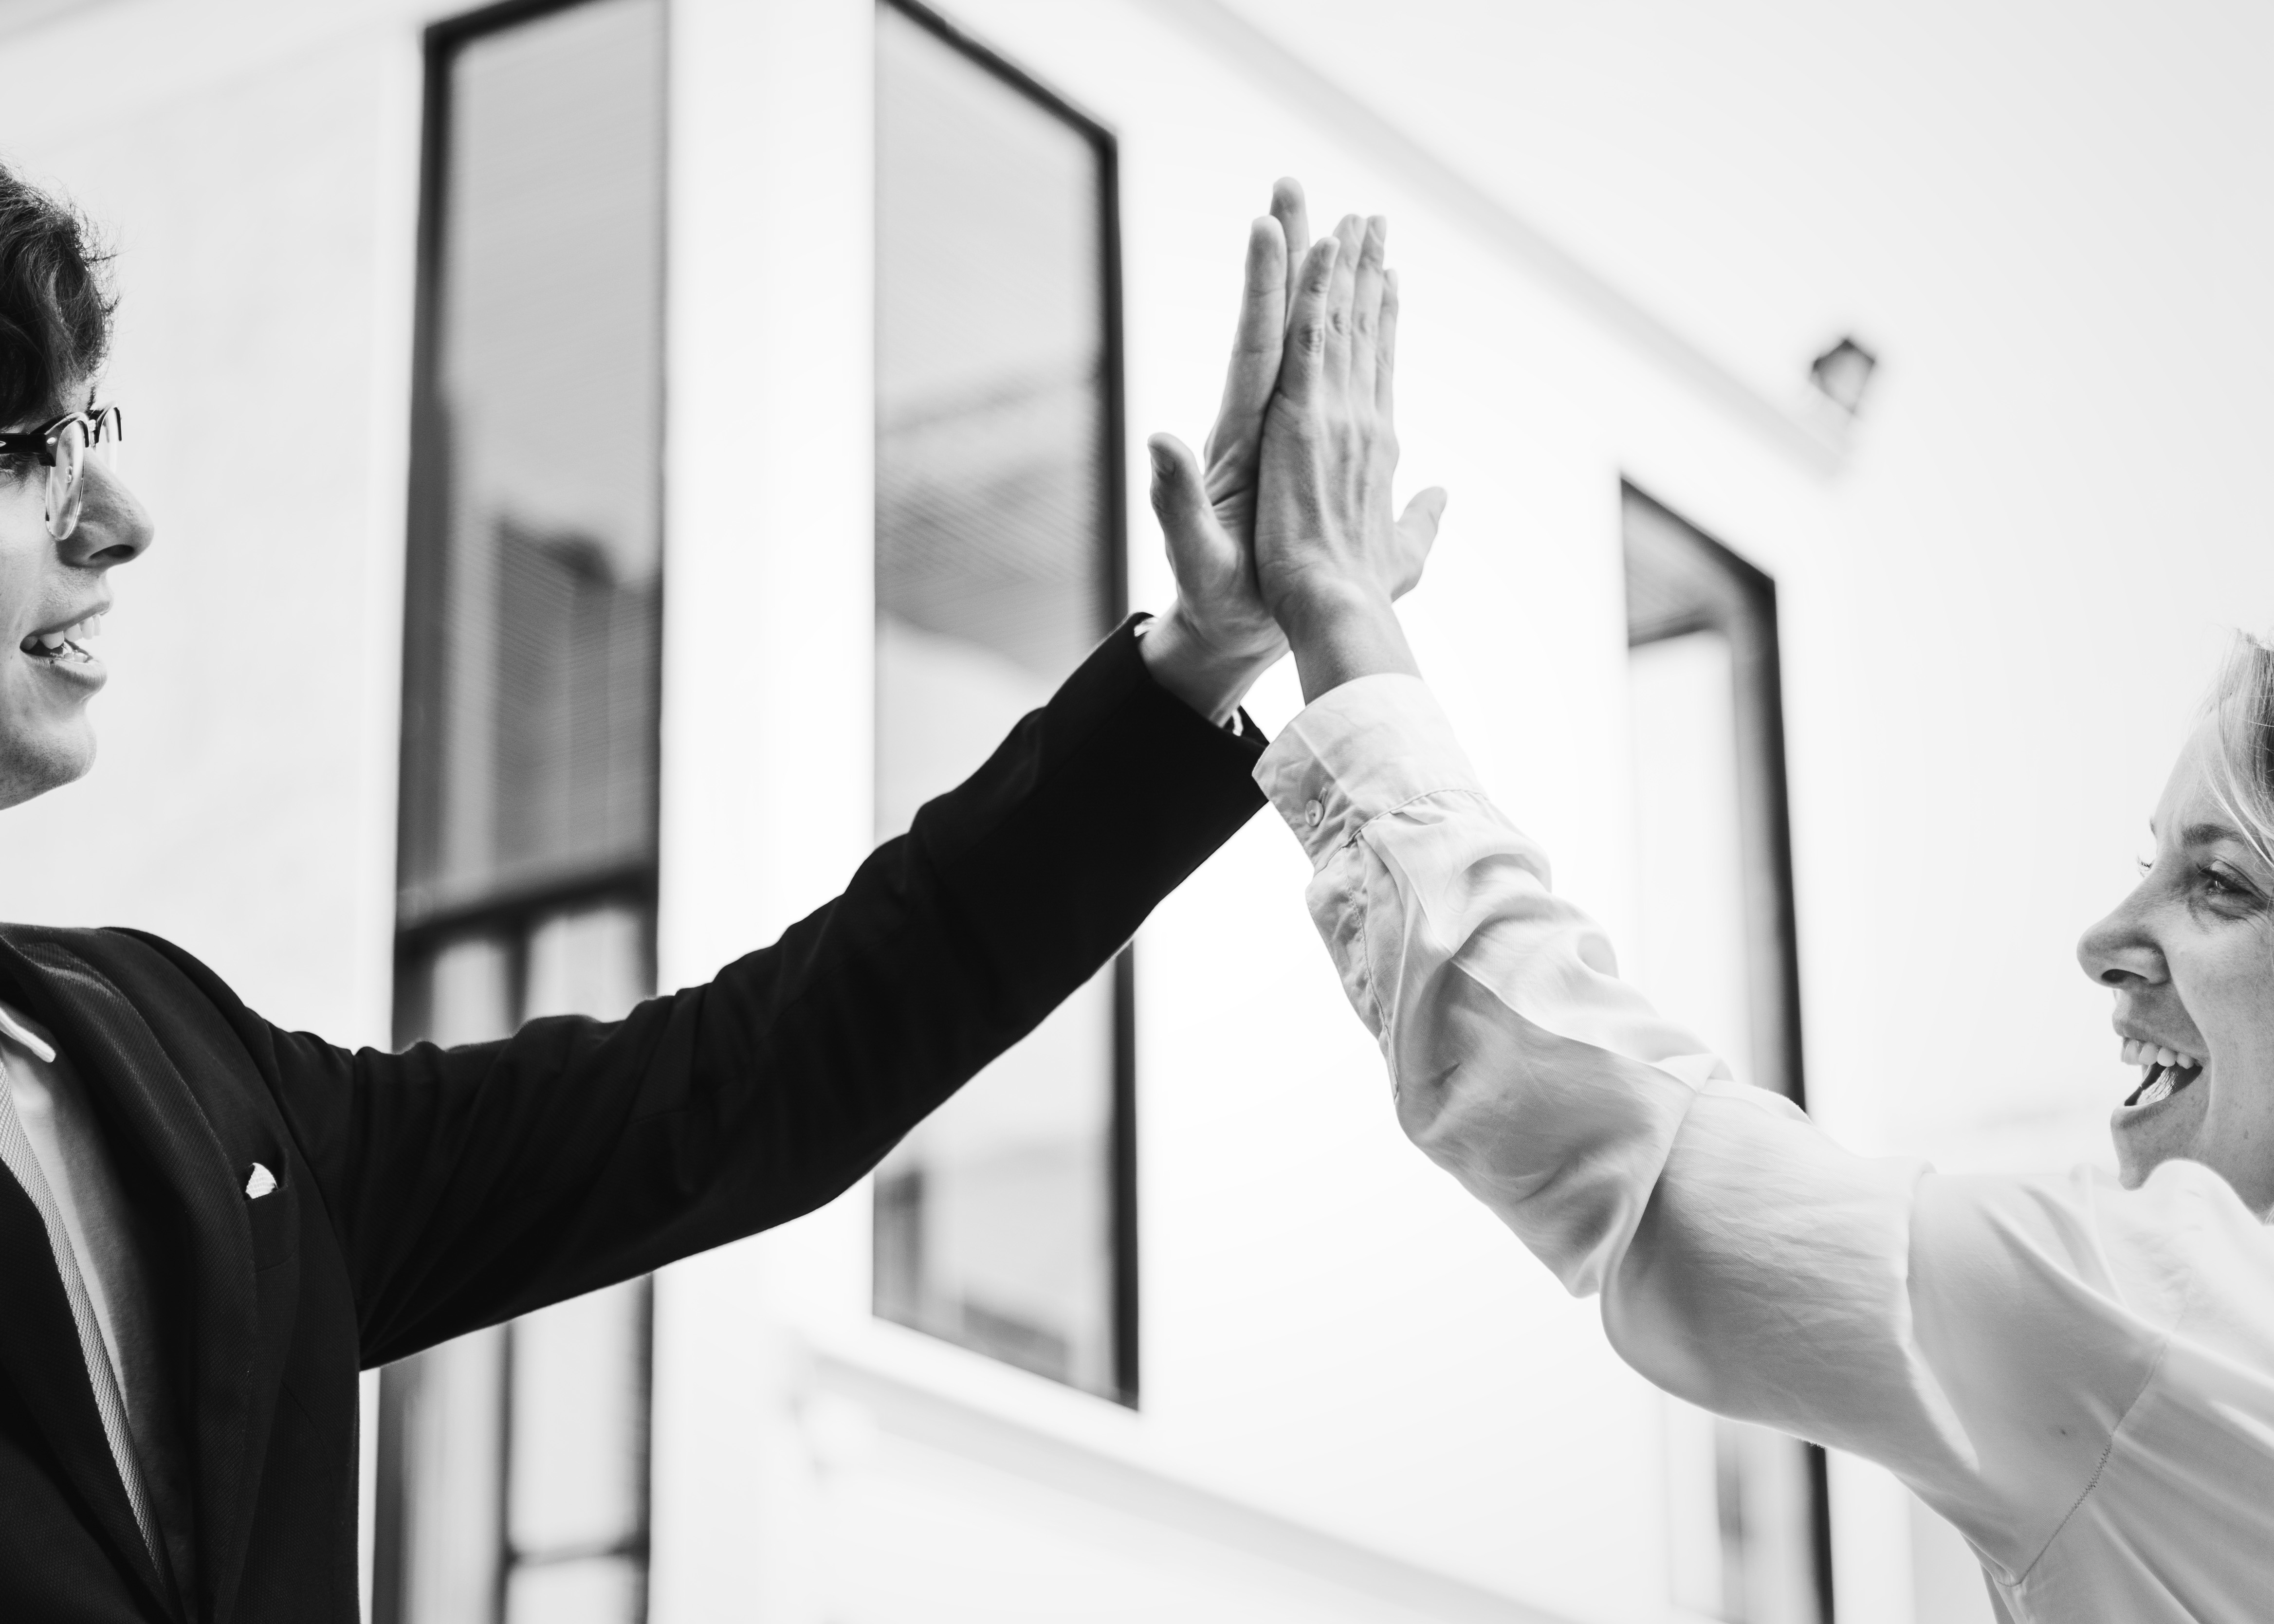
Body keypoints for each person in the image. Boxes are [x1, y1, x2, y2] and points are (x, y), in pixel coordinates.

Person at [0, 164, 1433, 1622]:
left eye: (87, 436)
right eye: (30, 451)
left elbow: (749, 1086)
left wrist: (1201, 656)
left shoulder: (157, 1050)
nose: (114, 517)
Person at [1237, 186, 2274, 1624]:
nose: (2103, 941)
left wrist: (1341, 615)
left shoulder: (2170, 1323)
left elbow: (1648, 1159)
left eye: (2219, 880)